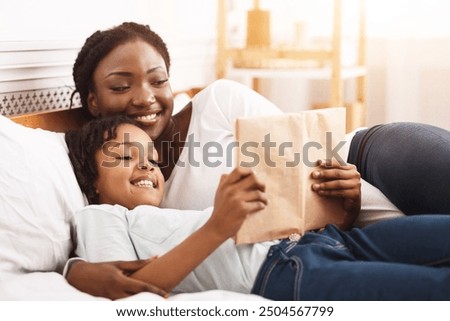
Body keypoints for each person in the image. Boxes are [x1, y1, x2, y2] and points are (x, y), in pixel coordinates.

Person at [67, 21, 449, 298]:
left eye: (159, 80)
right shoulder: (126, 202)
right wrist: (74, 270)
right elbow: (122, 280)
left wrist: (350, 199)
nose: (144, 98)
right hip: (313, 248)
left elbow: (304, 162)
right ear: (93, 100)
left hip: (363, 156)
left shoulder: (218, 101)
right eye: (121, 86)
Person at [66, 115, 450, 300]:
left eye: (150, 156)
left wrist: (345, 209)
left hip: (330, 241)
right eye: (125, 155)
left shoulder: (176, 212)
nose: (147, 164)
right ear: (89, 178)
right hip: (283, 271)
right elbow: (127, 292)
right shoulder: (100, 215)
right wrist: (218, 226)